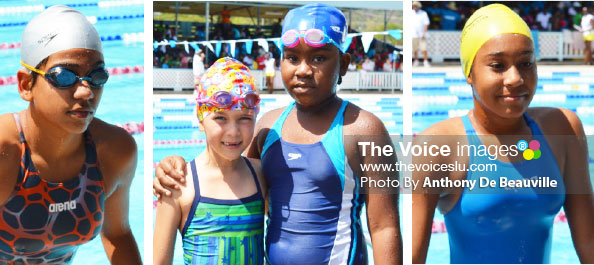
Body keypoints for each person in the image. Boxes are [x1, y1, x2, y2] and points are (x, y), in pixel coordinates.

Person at [154, 4, 402, 264]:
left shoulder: (366, 129)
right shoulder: (266, 128)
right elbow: (231, 174)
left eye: (319, 58)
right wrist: (173, 165)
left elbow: (385, 228)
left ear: (344, 64)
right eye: (292, 58)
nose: (303, 70)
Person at [0, 6, 141, 264]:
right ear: (26, 85)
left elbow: (117, 235)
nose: (86, 92)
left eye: (96, 75)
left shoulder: (114, 151)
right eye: (64, 76)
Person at [411, 4, 594, 263]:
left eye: (526, 63)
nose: (515, 78)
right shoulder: (438, 147)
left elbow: (589, 242)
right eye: (497, 66)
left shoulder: (561, 128)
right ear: (469, 73)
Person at [153, 58, 266, 265]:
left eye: (244, 118)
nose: (233, 132)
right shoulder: (179, 184)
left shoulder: (261, 175)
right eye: (220, 118)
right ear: (201, 119)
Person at [411, 1, 431, 67]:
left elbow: (426, 24)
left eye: (416, 6)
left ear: (419, 6)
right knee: (415, 49)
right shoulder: (410, 13)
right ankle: (416, 61)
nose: (414, 7)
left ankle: (425, 61)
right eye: (414, 6)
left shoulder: (423, 13)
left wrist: (423, 33)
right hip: (413, 34)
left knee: (424, 49)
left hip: (422, 34)